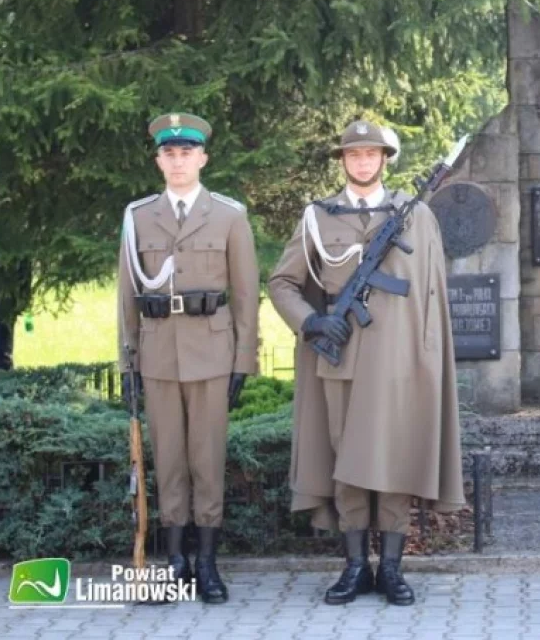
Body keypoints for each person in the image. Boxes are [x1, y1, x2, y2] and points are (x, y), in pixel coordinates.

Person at [267, 119, 465, 606]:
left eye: (370, 154)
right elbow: (282, 283)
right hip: (340, 360)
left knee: (395, 460)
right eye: (353, 154)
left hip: (399, 363)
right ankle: (355, 566)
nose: (362, 161)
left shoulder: (415, 215)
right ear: (343, 161)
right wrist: (312, 323)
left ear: (384, 159)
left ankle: (392, 570)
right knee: (347, 464)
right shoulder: (318, 217)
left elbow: (432, 294)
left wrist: (429, 360)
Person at [117, 112, 260, 604]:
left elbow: (245, 294)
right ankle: (175, 560)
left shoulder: (228, 216)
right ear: (158, 160)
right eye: (169, 154)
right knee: (169, 460)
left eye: (186, 153)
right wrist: (127, 364)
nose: (178, 161)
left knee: (207, 459)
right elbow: (127, 296)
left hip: (212, 353)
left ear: (203, 158)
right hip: (157, 356)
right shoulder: (138, 217)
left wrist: (244, 361)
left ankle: (207, 563)